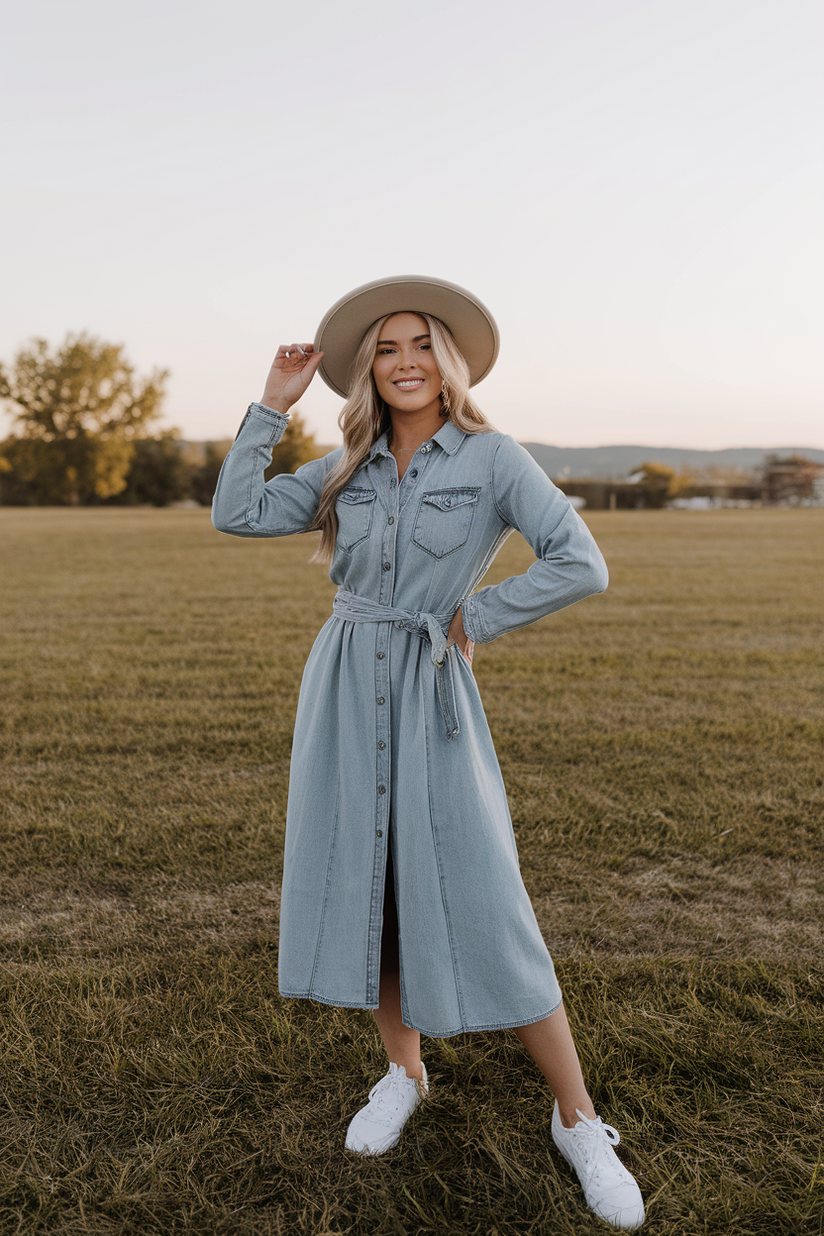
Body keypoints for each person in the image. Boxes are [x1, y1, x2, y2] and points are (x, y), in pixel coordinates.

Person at [211, 275, 645, 1230]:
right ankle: (402, 1073)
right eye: (386, 348)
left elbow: (582, 560)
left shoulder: (493, 458)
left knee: (487, 892)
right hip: (341, 681)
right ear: (369, 367)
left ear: (447, 362)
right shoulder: (347, 465)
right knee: (374, 880)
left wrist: (474, 615)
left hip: (431, 688)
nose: (404, 362)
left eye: (420, 345)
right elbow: (234, 514)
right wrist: (270, 406)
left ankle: (578, 1118)